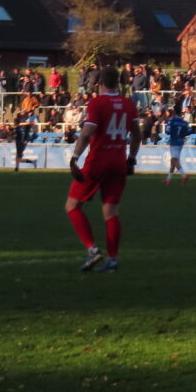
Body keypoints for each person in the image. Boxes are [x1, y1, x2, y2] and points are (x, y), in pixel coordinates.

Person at [65, 66, 141, 273]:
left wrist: (74, 158)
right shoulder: (128, 104)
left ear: (99, 83)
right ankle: (112, 260)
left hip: (98, 161)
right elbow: (137, 134)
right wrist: (132, 159)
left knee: (72, 206)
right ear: (118, 83)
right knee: (111, 211)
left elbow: (86, 134)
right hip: (118, 162)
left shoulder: (97, 103)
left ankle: (92, 250)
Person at [163, 110, 191, 185]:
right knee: (173, 160)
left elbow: (167, 131)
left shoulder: (171, 121)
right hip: (181, 142)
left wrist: (173, 132)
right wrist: (183, 134)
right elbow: (189, 131)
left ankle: (183, 175)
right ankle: (168, 179)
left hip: (174, 142)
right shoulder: (184, 122)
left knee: (174, 159)